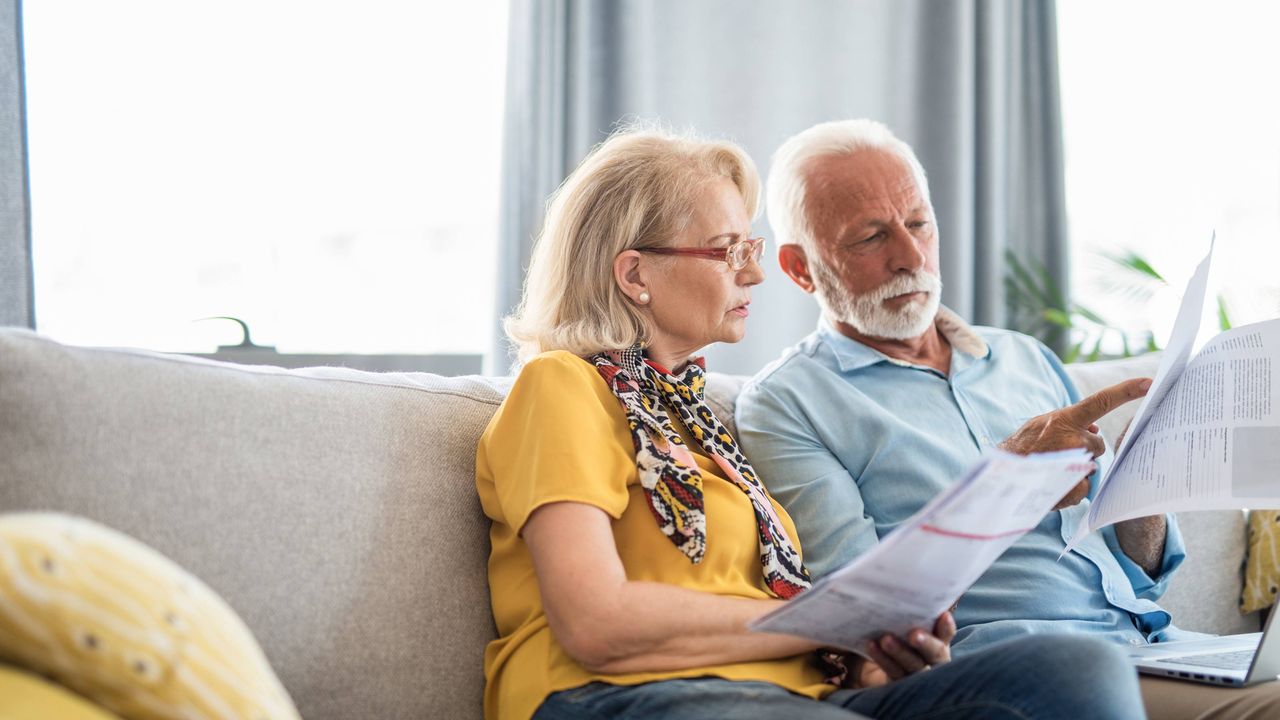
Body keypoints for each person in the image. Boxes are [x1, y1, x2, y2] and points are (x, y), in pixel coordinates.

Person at [476, 126, 1147, 720]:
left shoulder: (702, 429)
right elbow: (595, 622)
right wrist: (835, 621)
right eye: (726, 250)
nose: (754, 273)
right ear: (635, 274)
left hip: (800, 695)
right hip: (618, 693)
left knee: (1074, 669)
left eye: (751, 246)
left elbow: (775, 615)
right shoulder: (563, 386)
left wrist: (877, 653)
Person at [736, 118, 1280, 719]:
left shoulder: (1023, 357)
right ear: (799, 268)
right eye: (870, 237)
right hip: (1017, 667)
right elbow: (863, 611)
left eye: (919, 223)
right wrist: (1006, 484)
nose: (910, 256)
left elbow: (1144, 580)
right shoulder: (787, 402)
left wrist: (1146, 486)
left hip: (1156, 647)